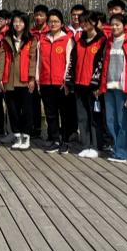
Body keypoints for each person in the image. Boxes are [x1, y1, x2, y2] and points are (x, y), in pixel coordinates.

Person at [0, 11, 37, 150]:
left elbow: (33, 60)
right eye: (15, 21)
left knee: (27, 110)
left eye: (20, 21)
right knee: (12, 110)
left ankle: (26, 137)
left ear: (25, 24)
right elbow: (1, 59)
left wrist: (32, 78)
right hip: (9, 79)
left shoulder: (31, 39)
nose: (17, 24)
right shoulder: (6, 39)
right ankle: (17, 135)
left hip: (25, 80)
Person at [70, 11, 107, 159]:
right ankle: (85, 145)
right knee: (82, 116)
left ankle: (96, 146)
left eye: (86, 21)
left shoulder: (102, 40)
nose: (83, 24)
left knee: (95, 117)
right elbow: (73, 61)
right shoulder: (80, 41)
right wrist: (70, 80)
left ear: (94, 22)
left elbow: (102, 64)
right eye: (81, 22)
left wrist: (97, 84)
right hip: (79, 84)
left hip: (93, 86)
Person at [37, 9, 74, 153]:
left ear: (62, 23)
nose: (53, 24)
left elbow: (69, 62)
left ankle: (65, 140)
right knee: (50, 114)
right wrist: (38, 79)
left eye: (56, 21)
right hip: (46, 82)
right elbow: (39, 62)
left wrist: (66, 81)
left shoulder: (67, 40)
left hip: (61, 84)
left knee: (64, 114)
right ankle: (54, 139)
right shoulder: (42, 40)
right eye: (51, 21)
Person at [101, 14, 127, 163]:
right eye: (112, 24)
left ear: (124, 26)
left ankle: (124, 152)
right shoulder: (108, 41)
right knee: (111, 120)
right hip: (109, 86)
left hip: (123, 88)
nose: (114, 27)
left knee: (123, 122)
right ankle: (117, 149)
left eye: (118, 24)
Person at [29, 5, 49, 138]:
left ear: (46, 16)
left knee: (48, 103)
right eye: (36, 15)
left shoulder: (51, 30)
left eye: (41, 15)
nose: (38, 17)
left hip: (46, 70)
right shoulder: (31, 32)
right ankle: (36, 128)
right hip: (33, 70)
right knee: (34, 102)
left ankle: (51, 130)